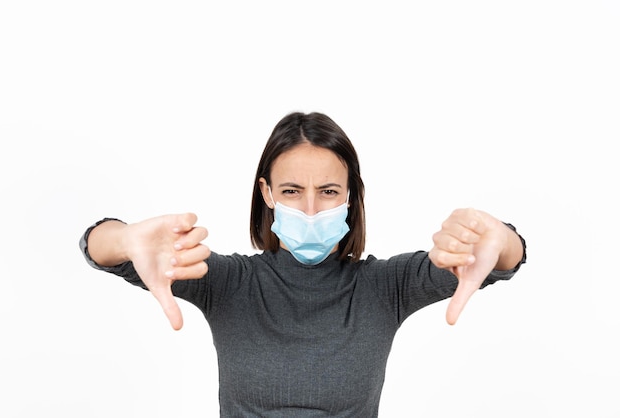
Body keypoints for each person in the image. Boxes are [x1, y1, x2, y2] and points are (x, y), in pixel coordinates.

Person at [79, 111, 526, 417]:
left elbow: (502, 257)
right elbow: (102, 249)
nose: (311, 209)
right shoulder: (227, 282)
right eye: (292, 191)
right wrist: (123, 237)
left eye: (328, 191)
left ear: (350, 194)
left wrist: (500, 239)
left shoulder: (385, 287)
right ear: (268, 194)